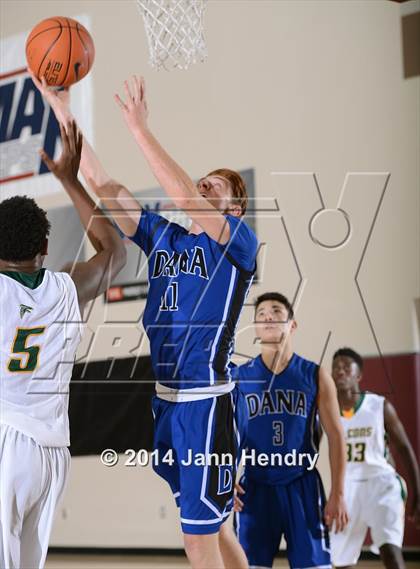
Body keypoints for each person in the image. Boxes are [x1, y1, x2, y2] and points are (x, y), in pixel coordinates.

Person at [31, 73, 258, 568]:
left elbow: (184, 198)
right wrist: (59, 106)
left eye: (214, 185)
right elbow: (103, 183)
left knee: (196, 540)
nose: (202, 184)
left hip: (205, 402)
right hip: (166, 401)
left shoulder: (238, 244)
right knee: (214, 528)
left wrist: (138, 128)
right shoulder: (165, 239)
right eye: (203, 179)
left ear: (234, 207)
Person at [0, 121, 126, 569]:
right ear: (46, 245)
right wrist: (70, 181)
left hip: (6, 439)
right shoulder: (68, 285)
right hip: (53, 453)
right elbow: (115, 251)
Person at [220, 292, 348, 569]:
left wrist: (338, 493)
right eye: (261, 313)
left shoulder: (314, 374)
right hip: (254, 486)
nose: (268, 316)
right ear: (255, 327)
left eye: (276, 311)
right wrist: (225, 478)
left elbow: (337, 437)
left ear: (292, 324)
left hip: (302, 484)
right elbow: (225, 436)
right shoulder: (239, 378)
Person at [330, 347, 420, 569]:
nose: (340, 370)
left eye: (346, 366)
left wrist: (418, 493)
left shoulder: (379, 406)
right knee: (339, 560)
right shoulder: (328, 411)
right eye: (336, 367)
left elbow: (405, 449)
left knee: (390, 550)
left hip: (382, 484)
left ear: (358, 375)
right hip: (347, 486)